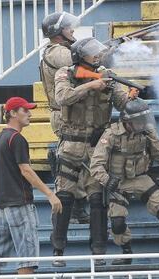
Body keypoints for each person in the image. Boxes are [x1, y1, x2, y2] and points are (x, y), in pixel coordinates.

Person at [51, 37, 138, 267]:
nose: (97, 56)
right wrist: (91, 85)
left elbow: (121, 104)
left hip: (96, 148)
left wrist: (129, 96)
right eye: (92, 54)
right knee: (65, 197)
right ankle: (58, 250)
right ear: (80, 56)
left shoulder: (106, 73)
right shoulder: (65, 73)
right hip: (71, 145)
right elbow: (62, 97)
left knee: (98, 199)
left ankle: (98, 251)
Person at [90, 98, 159, 265]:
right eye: (139, 121)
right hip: (118, 182)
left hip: (141, 178)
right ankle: (126, 252)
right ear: (128, 122)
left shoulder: (146, 133)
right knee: (117, 222)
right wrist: (107, 181)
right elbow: (96, 165)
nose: (143, 123)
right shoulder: (111, 135)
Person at [0, 97, 62, 274]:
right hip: (20, 204)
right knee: (26, 257)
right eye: (25, 110)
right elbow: (25, 170)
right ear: (13, 113)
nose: (29, 114)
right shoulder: (17, 138)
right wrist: (50, 195)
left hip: (3, 206)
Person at [40, 11, 90, 224]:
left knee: (81, 161)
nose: (72, 30)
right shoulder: (56, 52)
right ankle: (75, 207)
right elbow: (79, 60)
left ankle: (77, 205)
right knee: (73, 162)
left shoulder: (62, 48)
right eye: (68, 28)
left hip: (72, 115)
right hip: (64, 116)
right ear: (58, 33)